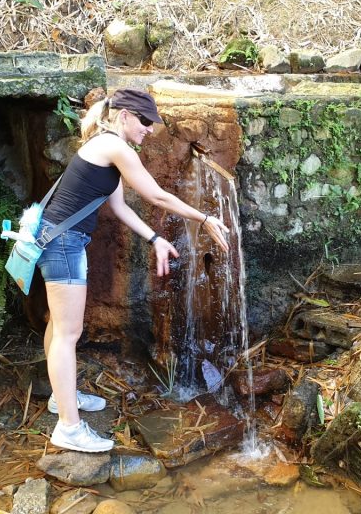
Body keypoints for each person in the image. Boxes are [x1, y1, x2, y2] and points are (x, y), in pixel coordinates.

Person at [38, 88, 231, 453]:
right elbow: (155, 196)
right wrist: (204, 217)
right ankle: (68, 428)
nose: (149, 129)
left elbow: (121, 208)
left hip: (60, 241)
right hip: (62, 244)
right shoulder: (115, 148)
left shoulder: (104, 145)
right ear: (124, 115)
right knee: (68, 332)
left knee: (58, 326)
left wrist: (155, 237)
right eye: (145, 121)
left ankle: (60, 398)